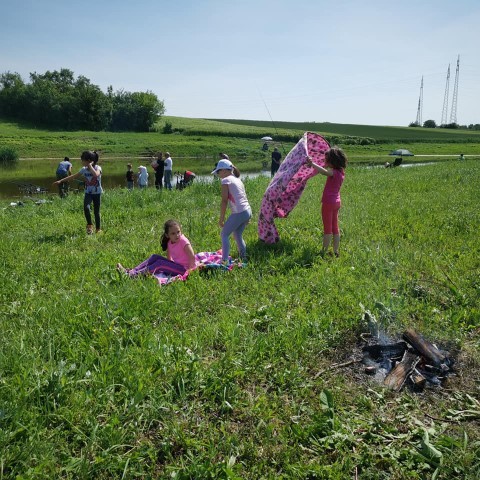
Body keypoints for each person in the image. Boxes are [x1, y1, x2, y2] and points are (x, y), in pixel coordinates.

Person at [306, 147, 347, 258]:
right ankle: (336, 251)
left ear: (332, 161)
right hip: (337, 202)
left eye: (327, 160)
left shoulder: (332, 172)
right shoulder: (341, 172)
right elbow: (324, 168)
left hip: (328, 203)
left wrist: (312, 163)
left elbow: (324, 172)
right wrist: (314, 163)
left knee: (327, 229)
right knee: (335, 227)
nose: (325, 162)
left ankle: (323, 252)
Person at [212, 159, 252, 262]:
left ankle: (224, 261)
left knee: (224, 234)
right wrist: (248, 216)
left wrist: (221, 219)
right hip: (247, 210)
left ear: (224, 170)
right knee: (237, 234)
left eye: (218, 171)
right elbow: (244, 197)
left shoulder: (226, 180)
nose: (218, 174)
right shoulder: (237, 180)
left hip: (239, 212)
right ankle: (243, 257)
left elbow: (224, 201)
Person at [53, 150, 103, 234]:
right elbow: (73, 176)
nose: (81, 162)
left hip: (97, 193)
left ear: (88, 161)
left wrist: (90, 166)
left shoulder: (98, 168)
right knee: (86, 208)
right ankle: (90, 225)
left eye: (82, 160)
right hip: (88, 193)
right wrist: (60, 181)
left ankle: (98, 229)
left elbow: (96, 174)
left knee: (96, 212)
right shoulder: (84, 169)